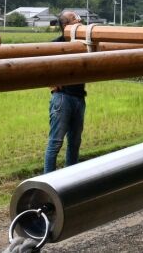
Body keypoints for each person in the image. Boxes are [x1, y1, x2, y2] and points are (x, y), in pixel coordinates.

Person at [44, 11, 87, 173]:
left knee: (75, 142)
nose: (79, 21)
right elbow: (39, 66)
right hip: (62, 98)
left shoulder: (84, 44)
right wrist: (50, 83)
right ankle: (48, 179)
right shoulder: (55, 45)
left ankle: (71, 179)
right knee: (55, 143)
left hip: (79, 97)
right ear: (65, 26)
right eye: (75, 19)